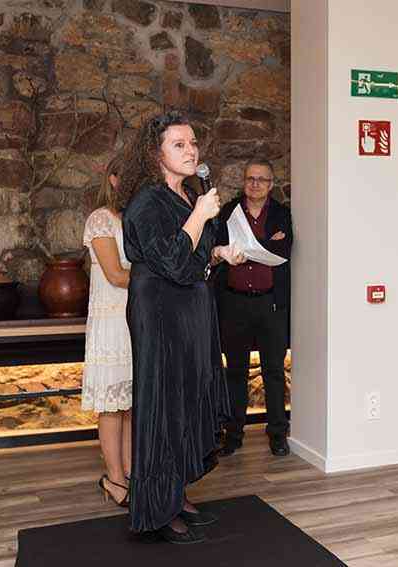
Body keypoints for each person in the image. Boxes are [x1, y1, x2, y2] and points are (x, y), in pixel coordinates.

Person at [119, 111, 239, 544]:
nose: (191, 151)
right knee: (164, 403)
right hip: (160, 312)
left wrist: (219, 254)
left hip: (192, 308)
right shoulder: (146, 203)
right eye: (179, 145)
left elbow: (192, 260)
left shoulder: (190, 196)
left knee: (188, 398)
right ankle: (156, 507)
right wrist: (201, 216)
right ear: (156, 154)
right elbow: (168, 259)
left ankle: (177, 491)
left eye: (193, 143)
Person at [215, 157, 293, 457]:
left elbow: (283, 249)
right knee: (235, 371)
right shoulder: (228, 212)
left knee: (274, 371)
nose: (255, 184)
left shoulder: (282, 215)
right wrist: (263, 245)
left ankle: (277, 435)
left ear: (271, 185)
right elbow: (220, 248)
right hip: (234, 303)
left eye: (261, 179)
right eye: (250, 179)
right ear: (244, 182)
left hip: (270, 303)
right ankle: (233, 436)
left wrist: (246, 248)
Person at [82, 153, 132, 507]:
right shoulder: (100, 219)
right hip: (110, 322)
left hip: (136, 320)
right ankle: (114, 480)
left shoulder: (136, 219)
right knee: (112, 406)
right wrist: (161, 275)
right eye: (125, 176)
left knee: (132, 405)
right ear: (112, 179)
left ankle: (130, 474)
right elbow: (115, 275)